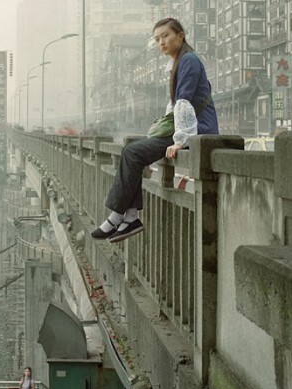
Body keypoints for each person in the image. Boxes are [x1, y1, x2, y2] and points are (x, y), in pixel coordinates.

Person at [91, 17, 219, 243]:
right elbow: (176, 105)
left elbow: (184, 102)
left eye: (166, 36)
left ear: (181, 35)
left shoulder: (188, 61)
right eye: (158, 39)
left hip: (198, 131)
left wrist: (180, 140)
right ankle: (129, 216)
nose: (162, 42)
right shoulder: (180, 61)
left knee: (132, 153)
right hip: (190, 129)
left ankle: (117, 216)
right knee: (132, 150)